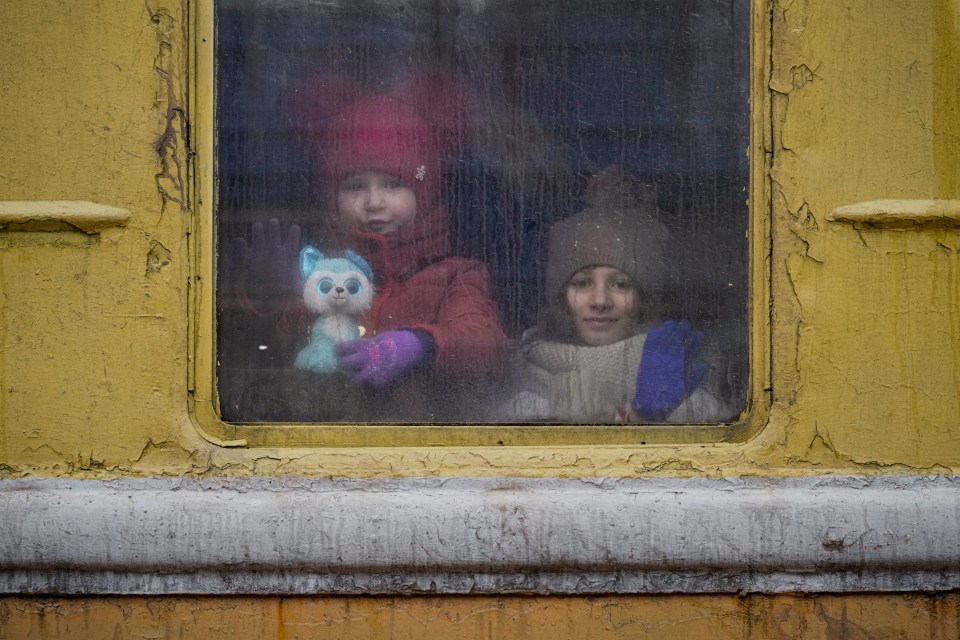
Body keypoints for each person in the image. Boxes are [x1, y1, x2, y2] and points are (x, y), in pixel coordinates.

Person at [220, 93, 507, 422]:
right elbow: (266, 355)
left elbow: (486, 342)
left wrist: (420, 345)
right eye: (355, 186)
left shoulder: (456, 275)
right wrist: (267, 298)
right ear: (332, 197)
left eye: (392, 184)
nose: (374, 202)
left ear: (423, 192)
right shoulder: (315, 274)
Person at [505, 202, 730, 424]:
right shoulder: (525, 408)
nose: (600, 301)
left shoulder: (691, 403)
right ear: (561, 299)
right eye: (582, 283)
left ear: (643, 299)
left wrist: (642, 420)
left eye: (620, 284)